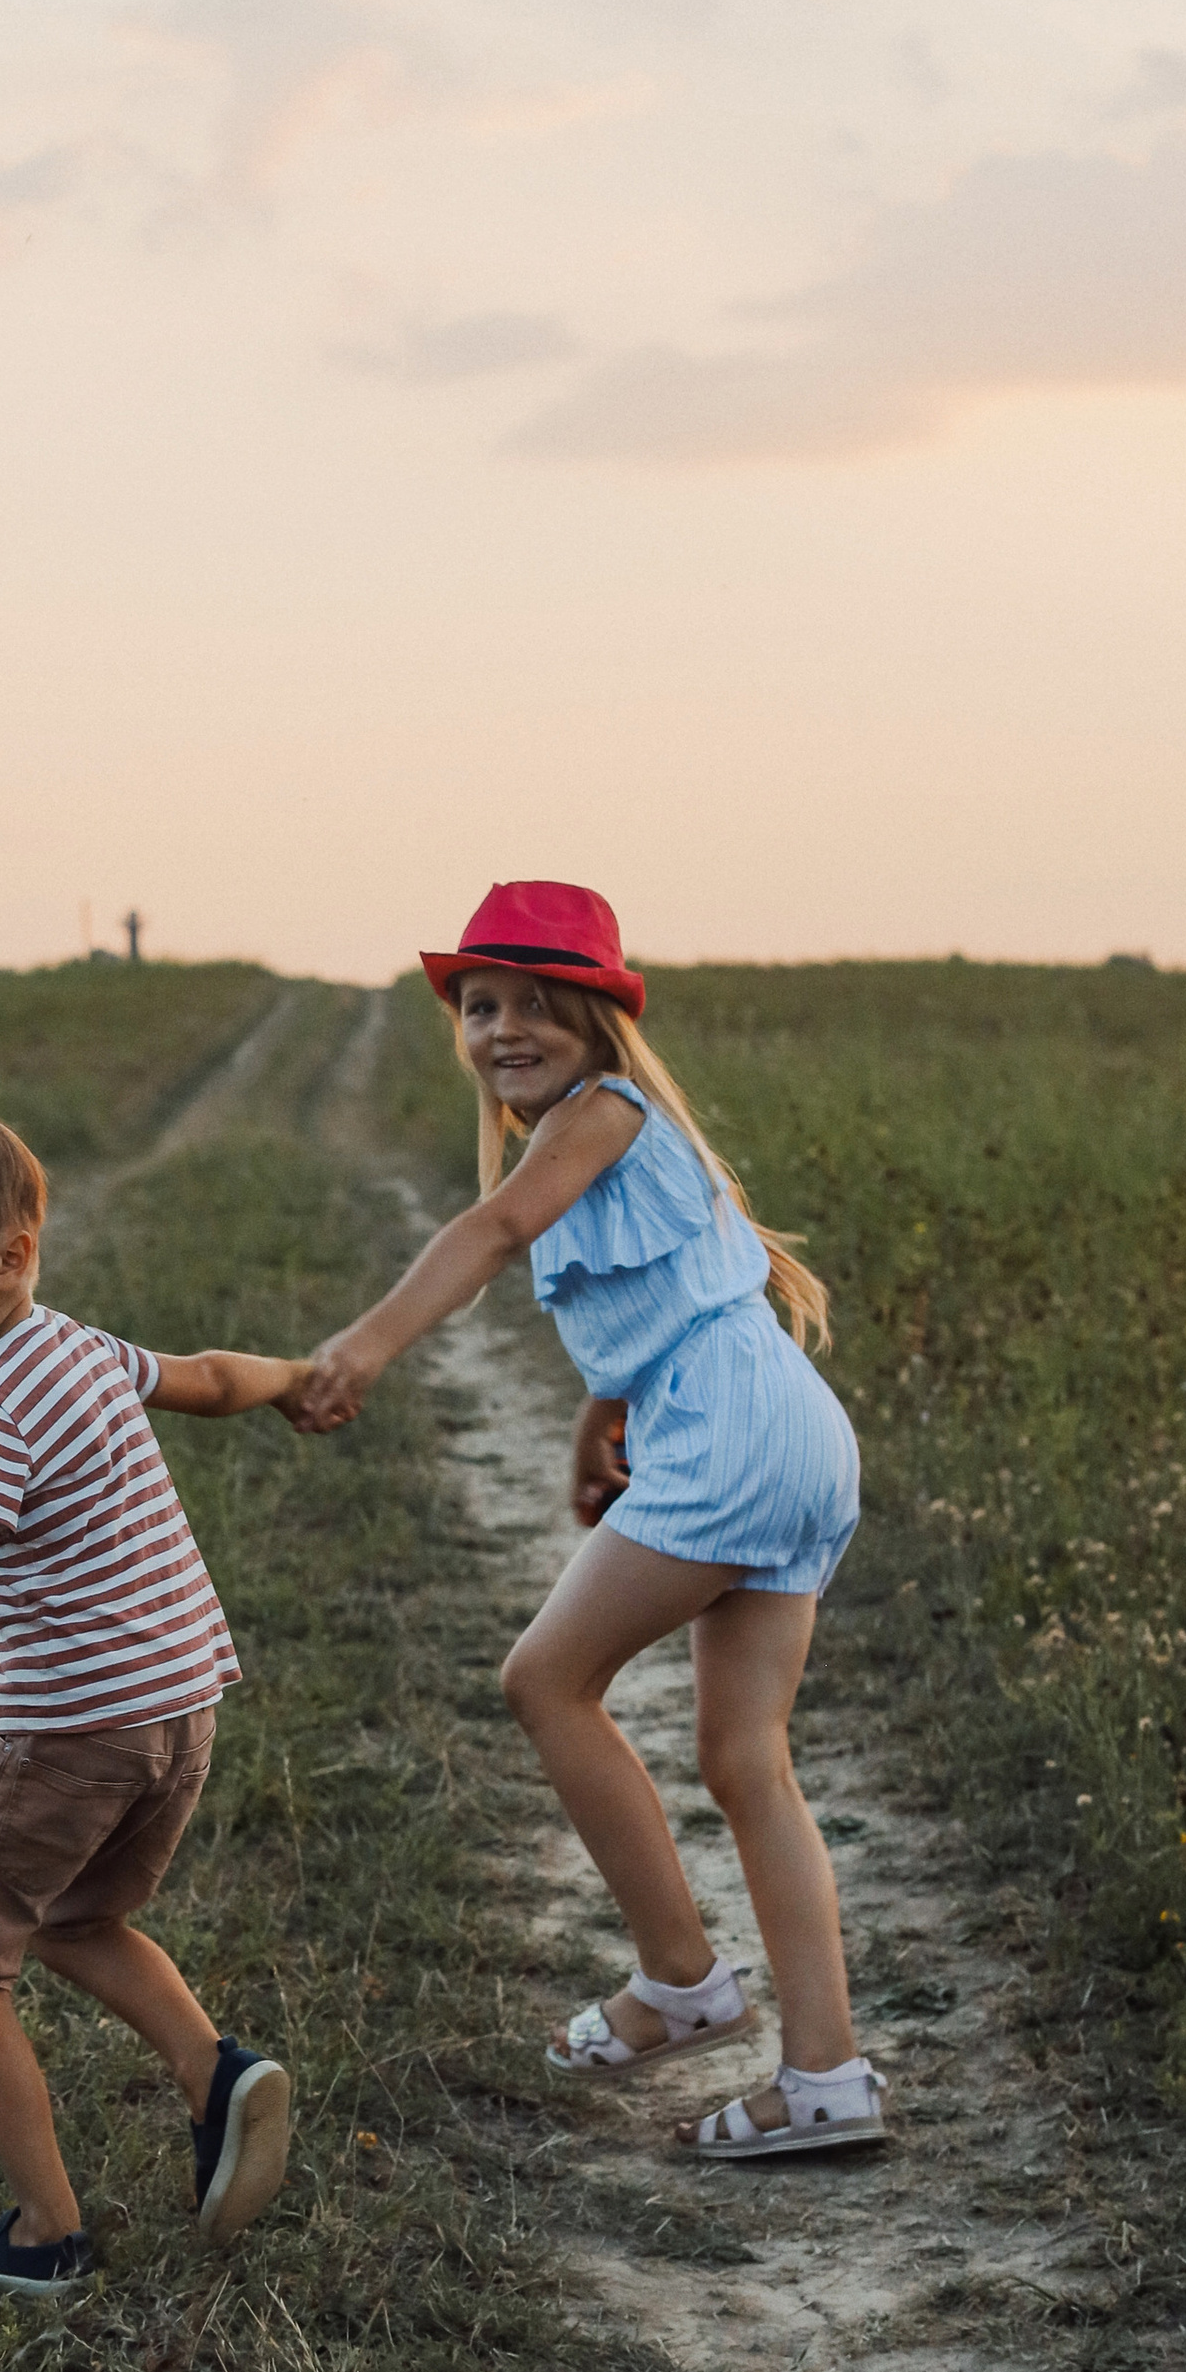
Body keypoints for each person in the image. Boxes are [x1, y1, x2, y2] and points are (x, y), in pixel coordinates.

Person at [297, 881, 882, 2160]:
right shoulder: (603, 1128)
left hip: (732, 1434)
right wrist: (594, 1423)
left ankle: (680, 1976)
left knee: (545, 1679)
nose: (503, 1029)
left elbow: (499, 1229)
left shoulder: (603, 1111)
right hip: (780, 1429)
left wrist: (366, 1344)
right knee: (743, 1759)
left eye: (534, 1005)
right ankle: (825, 2075)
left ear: (599, 1018)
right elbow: (660, 1305)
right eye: (478, 1007)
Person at [0, 1105, 307, 2294]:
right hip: (178, 1710)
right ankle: (213, 2074)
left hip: (69, 1730)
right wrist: (292, 1379)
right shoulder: (82, 1349)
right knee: (76, 1917)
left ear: (13, 1257)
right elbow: (203, 1379)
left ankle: (44, 2231)